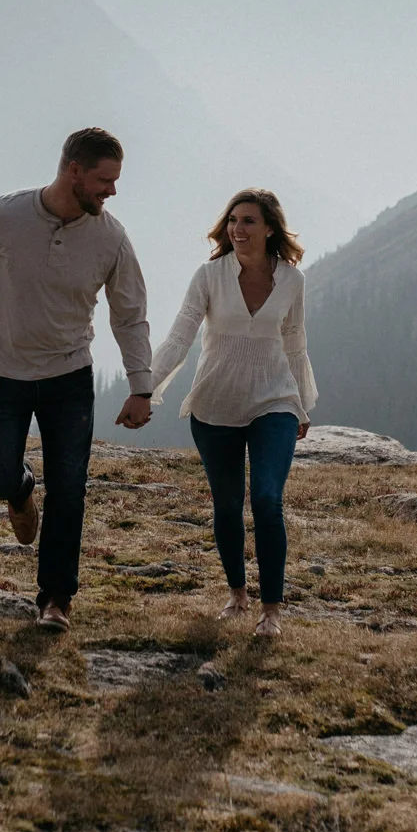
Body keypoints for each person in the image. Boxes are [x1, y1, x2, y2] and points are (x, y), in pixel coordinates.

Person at [0, 127, 154, 631]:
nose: (111, 191)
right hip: (0, 371)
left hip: (69, 374)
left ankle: (56, 600)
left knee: (70, 487)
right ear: (73, 170)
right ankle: (20, 489)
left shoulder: (111, 236)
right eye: (104, 180)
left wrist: (140, 384)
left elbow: (129, 314)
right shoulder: (2, 216)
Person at [146, 187, 314, 639]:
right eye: (233, 221)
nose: (238, 229)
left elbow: (295, 341)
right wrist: (147, 388)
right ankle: (237, 595)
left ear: (270, 228)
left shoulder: (293, 280)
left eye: (249, 221)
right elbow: (181, 336)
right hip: (215, 402)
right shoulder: (209, 276)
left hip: (274, 399)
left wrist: (300, 402)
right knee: (227, 503)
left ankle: (272, 611)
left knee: (266, 499)